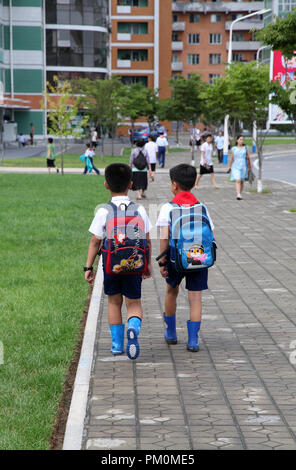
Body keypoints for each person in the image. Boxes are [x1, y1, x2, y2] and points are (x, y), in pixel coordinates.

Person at [85, 163, 152, 360]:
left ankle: (116, 345)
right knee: (134, 303)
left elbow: (95, 240)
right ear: (131, 184)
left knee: (114, 303)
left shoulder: (103, 211)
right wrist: (146, 264)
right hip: (134, 265)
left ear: (106, 185)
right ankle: (133, 328)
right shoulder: (139, 209)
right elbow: (146, 240)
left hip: (111, 267)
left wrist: (88, 266)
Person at [156, 164, 214, 352]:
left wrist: (162, 262)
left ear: (174, 185)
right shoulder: (202, 206)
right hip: (199, 257)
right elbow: (210, 233)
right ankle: (193, 340)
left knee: (171, 291)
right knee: (195, 298)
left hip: (175, 258)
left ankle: (171, 333)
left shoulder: (168, 208)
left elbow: (164, 237)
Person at [227, 135, 252, 200]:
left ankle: (239, 194)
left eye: (242, 139)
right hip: (235, 166)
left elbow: (248, 157)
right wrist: (229, 166)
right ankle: (238, 194)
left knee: (242, 181)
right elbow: (231, 158)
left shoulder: (245, 148)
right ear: (237, 140)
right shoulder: (234, 148)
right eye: (240, 139)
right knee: (237, 180)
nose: (241, 141)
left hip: (244, 166)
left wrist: (250, 167)